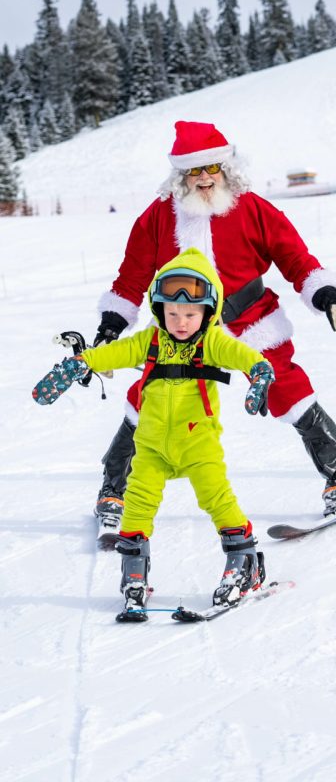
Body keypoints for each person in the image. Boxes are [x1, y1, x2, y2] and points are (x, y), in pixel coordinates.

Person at [93, 120, 336, 530]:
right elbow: (131, 277)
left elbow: (295, 257)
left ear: (225, 169)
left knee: (286, 387)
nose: (203, 179)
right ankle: (114, 488)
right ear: (179, 175)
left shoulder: (253, 208)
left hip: (251, 319)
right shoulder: (158, 217)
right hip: (180, 327)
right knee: (148, 396)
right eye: (193, 172)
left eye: (211, 169)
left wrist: (327, 296)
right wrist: (111, 327)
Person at [33, 249, 276, 620]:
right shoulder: (148, 342)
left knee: (217, 500)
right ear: (159, 309)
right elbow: (111, 354)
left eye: (191, 314)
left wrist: (260, 374)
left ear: (207, 312)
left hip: (198, 444)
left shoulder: (211, 342)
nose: (181, 321)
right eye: (172, 313)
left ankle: (244, 565)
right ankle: (133, 578)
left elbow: (246, 356)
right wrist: (78, 364)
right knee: (137, 508)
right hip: (150, 448)